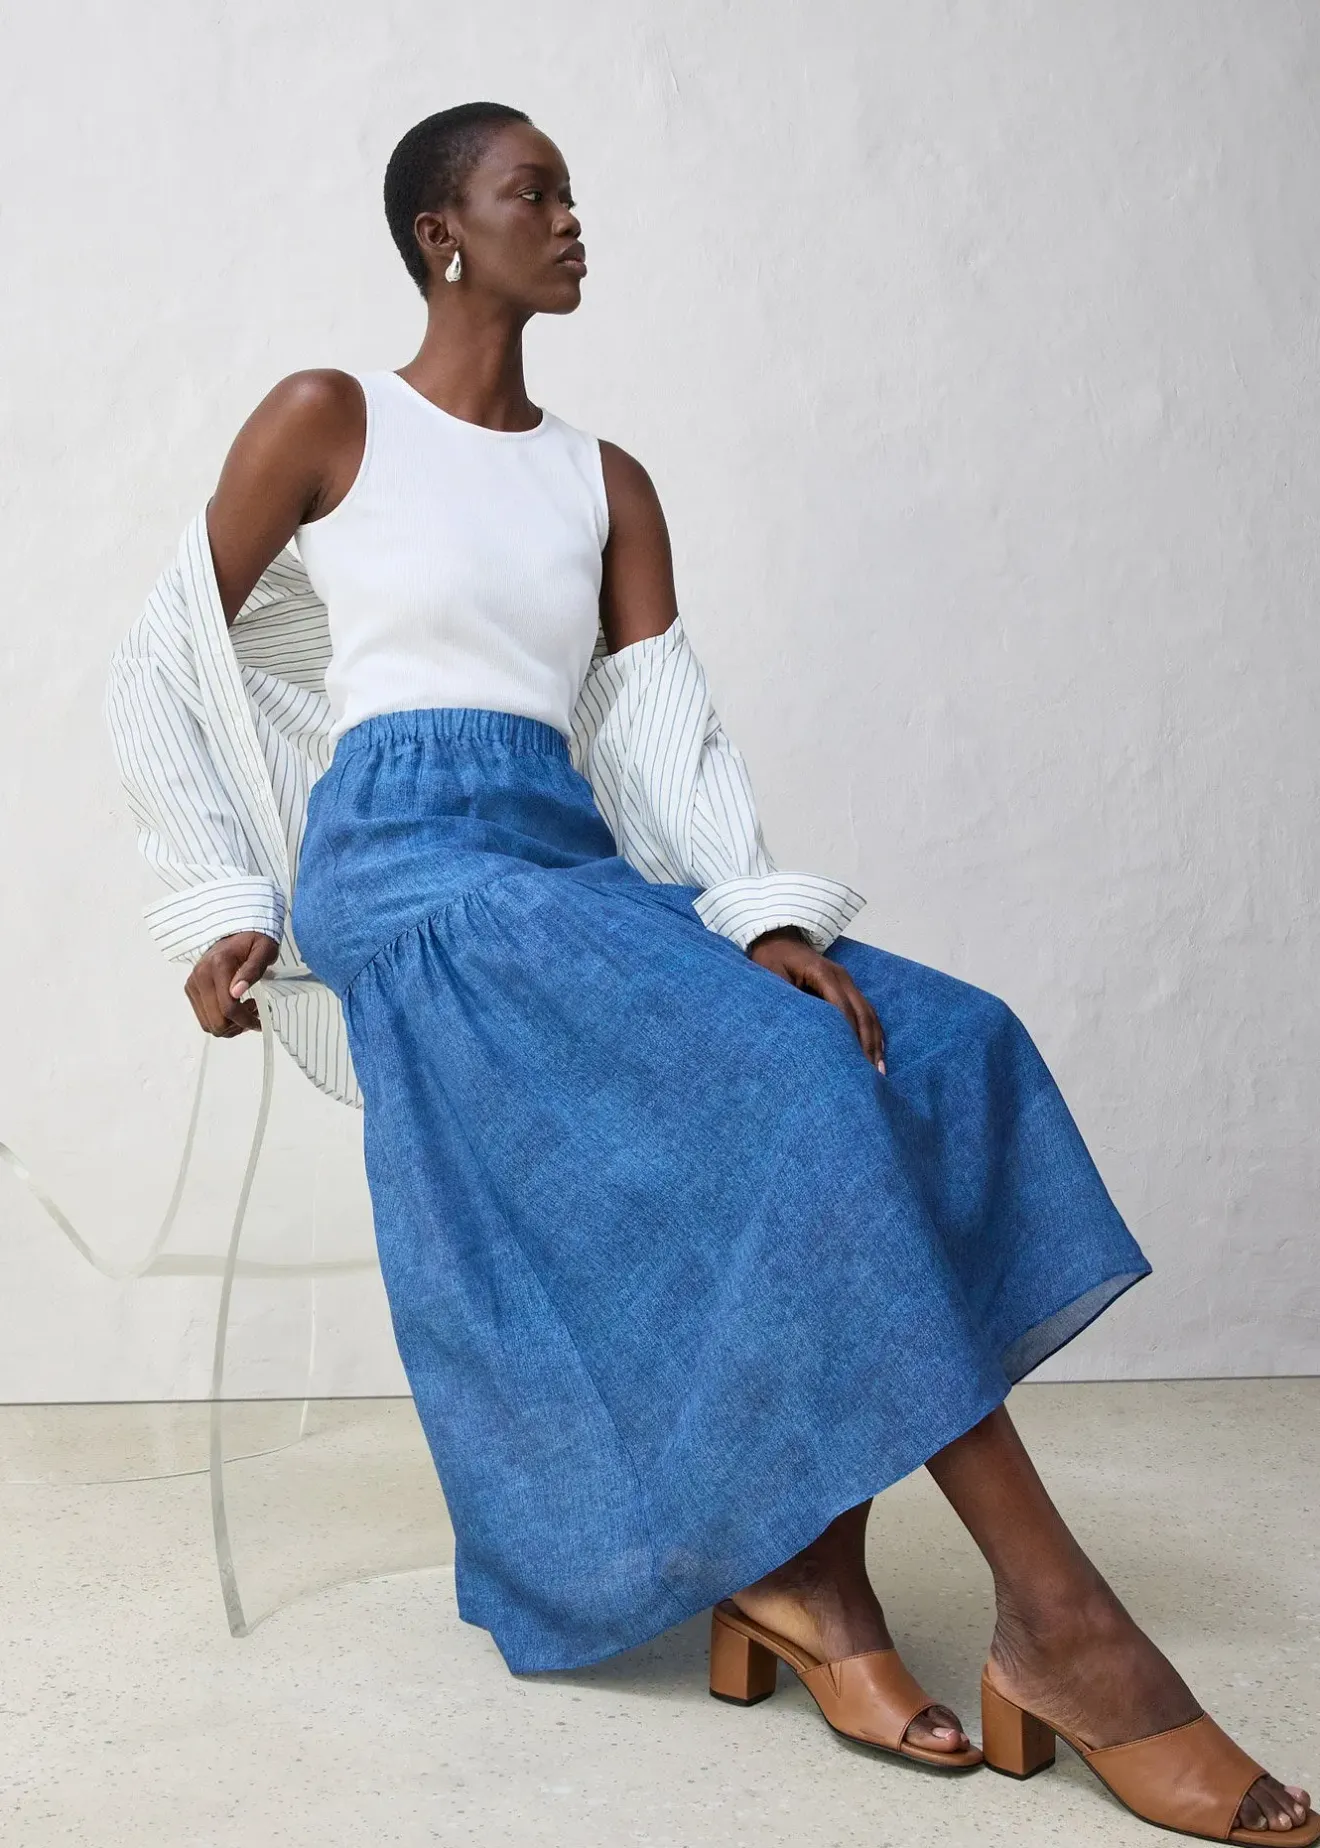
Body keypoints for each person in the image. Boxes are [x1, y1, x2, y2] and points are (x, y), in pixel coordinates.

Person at [192, 101, 1314, 1841]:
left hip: (563, 856)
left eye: (574, 192)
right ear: (440, 234)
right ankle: (1066, 1627)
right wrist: (216, 896)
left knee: (939, 1040)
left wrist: (761, 915)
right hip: (408, 874)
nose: (573, 219)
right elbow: (173, 658)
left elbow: (663, 738)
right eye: (534, 194)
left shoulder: (606, 481)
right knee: (790, 1078)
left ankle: (806, 1580)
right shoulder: (330, 418)